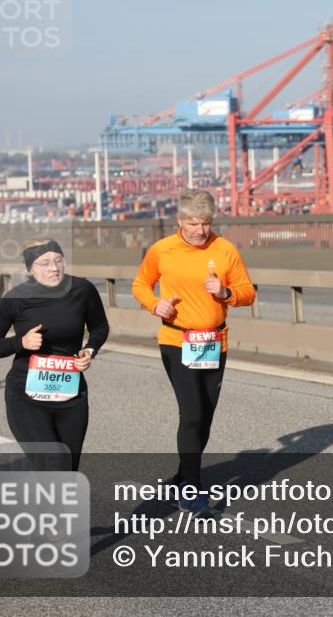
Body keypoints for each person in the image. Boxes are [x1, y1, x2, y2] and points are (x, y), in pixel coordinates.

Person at [132, 189, 255, 516]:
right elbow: (140, 285)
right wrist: (155, 304)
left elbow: (248, 293)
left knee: (205, 418)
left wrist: (226, 292)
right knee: (192, 414)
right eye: (193, 223)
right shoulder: (162, 250)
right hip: (177, 340)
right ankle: (191, 490)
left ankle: (182, 477)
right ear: (179, 220)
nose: (200, 230)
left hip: (214, 343)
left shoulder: (225, 249)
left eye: (206, 223)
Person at [0, 238, 109, 471]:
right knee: (54, 464)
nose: (54, 268)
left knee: (67, 470)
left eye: (58, 260)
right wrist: (21, 342)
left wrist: (89, 350)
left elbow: (100, 327)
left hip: (71, 394)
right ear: (30, 269)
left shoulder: (82, 289)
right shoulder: (16, 298)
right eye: (44, 263)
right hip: (26, 396)